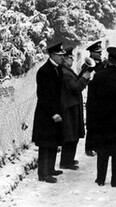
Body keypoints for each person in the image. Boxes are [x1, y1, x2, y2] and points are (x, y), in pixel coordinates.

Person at [85, 46, 116, 187]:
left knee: (102, 149)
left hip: (102, 119)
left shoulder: (98, 76)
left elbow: (92, 98)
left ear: (109, 60)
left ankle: (100, 179)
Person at [32, 41, 67, 182]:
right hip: (46, 114)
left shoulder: (57, 69)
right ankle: (43, 174)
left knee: (53, 142)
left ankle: (50, 168)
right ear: (52, 55)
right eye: (59, 55)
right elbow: (44, 95)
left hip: (55, 112)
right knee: (45, 144)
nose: (62, 58)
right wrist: (53, 113)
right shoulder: (44, 71)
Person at [58, 42, 89, 170]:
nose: (72, 60)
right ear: (65, 59)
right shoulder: (65, 72)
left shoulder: (67, 71)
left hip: (72, 106)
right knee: (70, 136)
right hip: (69, 107)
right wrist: (84, 79)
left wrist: (82, 75)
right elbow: (75, 87)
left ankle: (69, 159)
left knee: (73, 135)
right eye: (71, 58)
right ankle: (66, 161)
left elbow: (75, 82)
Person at [80, 40, 106, 157]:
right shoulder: (87, 65)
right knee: (91, 124)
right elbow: (82, 78)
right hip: (93, 97)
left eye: (100, 52)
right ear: (91, 53)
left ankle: (99, 146)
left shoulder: (103, 64)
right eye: (97, 52)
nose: (100, 54)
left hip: (103, 97)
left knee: (101, 123)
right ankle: (89, 147)